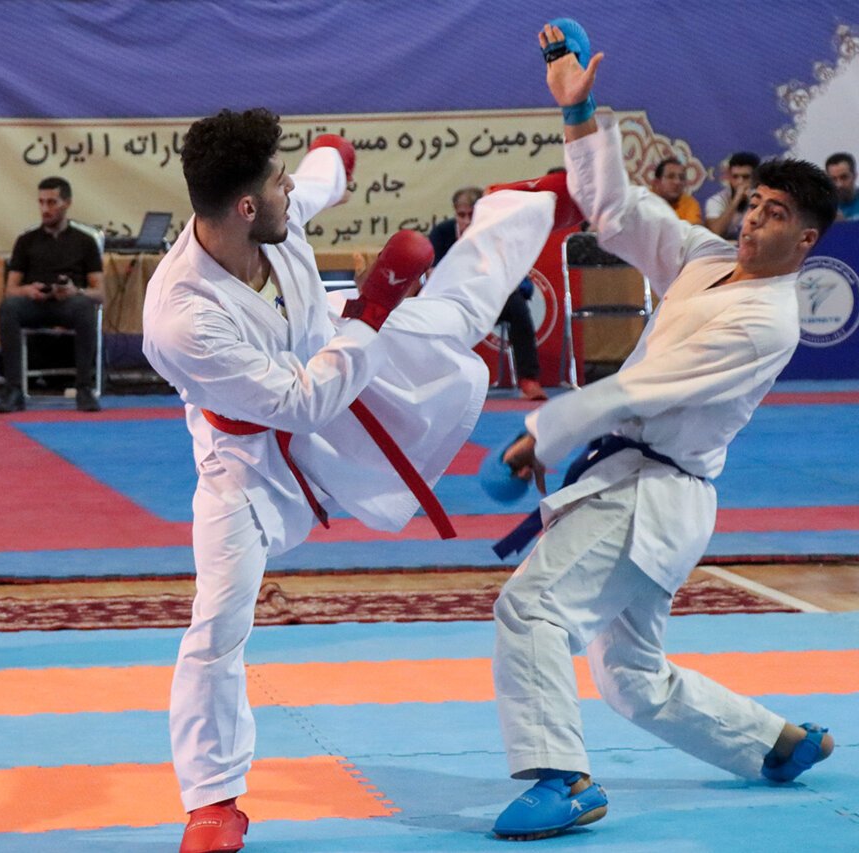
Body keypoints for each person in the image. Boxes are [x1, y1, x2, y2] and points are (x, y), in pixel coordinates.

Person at [141, 108, 557, 853]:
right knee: (217, 621)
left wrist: (336, 156)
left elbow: (312, 185)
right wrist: (373, 309)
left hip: (338, 351)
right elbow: (300, 405)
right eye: (275, 179)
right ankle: (213, 800)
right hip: (252, 456)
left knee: (455, 317)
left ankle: (531, 205)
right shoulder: (182, 318)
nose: (287, 187)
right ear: (245, 207)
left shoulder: (269, 215)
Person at [487, 20, 839, 841]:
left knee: (530, 608)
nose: (753, 220)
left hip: (650, 493)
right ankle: (775, 742)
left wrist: (542, 432)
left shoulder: (766, 321)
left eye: (775, 214)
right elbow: (618, 211)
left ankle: (563, 779)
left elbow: (642, 387)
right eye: (753, 204)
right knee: (631, 675)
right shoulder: (710, 260)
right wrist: (579, 113)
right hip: (644, 490)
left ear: (806, 239)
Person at [0, 176, 104, 414]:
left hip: (68, 304)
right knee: (8, 307)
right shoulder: (26, 241)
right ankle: (13, 390)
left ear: (67, 203)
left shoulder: (85, 242)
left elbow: (100, 294)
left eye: (52, 202)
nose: (45, 209)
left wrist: (76, 291)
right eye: (41, 202)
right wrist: (28, 290)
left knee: (85, 306)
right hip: (36, 304)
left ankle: (84, 389)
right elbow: (10, 289)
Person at [431, 186, 548, 400]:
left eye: (472, 215)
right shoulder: (442, 233)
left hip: (492, 296)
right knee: (436, 316)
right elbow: (433, 275)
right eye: (462, 215)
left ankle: (529, 380)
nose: (467, 221)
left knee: (518, 309)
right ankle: (440, 381)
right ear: (455, 213)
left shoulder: (496, 232)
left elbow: (511, 271)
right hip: (454, 298)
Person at [704, 150, 760, 239]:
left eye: (746, 177)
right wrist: (736, 200)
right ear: (729, 177)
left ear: (756, 178)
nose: (740, 182)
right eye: (735, 177)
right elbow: (715, 233)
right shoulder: (716, 200)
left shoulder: (765, 201)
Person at [650, 157, 703, 224]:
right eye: (670, 177)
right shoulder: (643, 202)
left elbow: (692, 229)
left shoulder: (689, 204)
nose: (677, 182)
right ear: (657, 182)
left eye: (681, 178)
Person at [825, 152, 859, 220]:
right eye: (833, 179)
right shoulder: (823, 207)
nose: (839, 184)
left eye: (844, 177)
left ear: (855, 176)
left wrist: (843, 224)